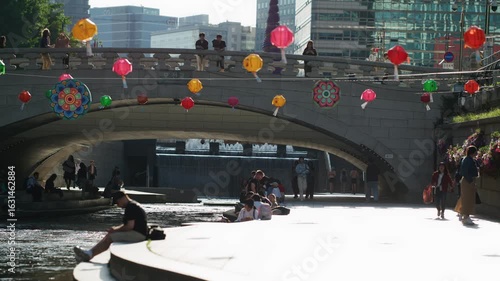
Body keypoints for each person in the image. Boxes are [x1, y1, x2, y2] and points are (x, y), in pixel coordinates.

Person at [73, 192, 148, 262]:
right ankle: (89, 253)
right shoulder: (133, 204)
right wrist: (115, 229)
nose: (118, 205)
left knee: (111, 237)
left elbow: (129, 226)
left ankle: (89, 255)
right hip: (139, 233)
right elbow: (129, 225)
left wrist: (116, 230)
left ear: (123, 198)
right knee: (110, 234)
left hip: (138, 235)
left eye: (117, 203)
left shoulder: (131, 207)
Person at [454, 146, 479, 225]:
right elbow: (464, 172)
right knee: (467, 199)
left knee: (468, 198)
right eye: (475, 152)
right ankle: (466, 216)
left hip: (469, 180)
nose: (476, 153)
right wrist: (471, 181)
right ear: (472, 152)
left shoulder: (470, 159)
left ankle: (464, 214)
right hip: (468, 181)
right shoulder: (467, 160)